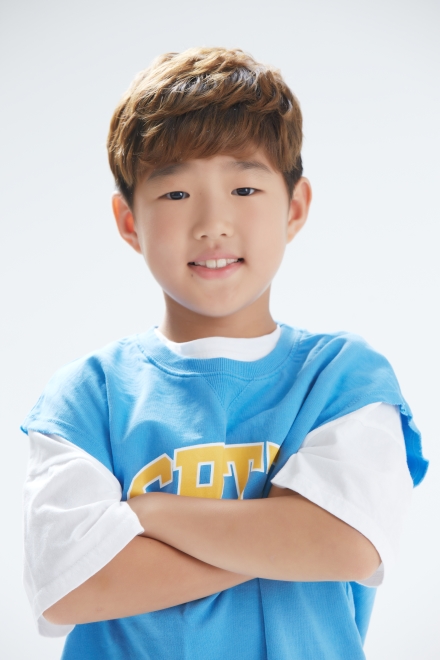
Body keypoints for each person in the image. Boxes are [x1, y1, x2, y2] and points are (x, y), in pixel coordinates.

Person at [21, 46, 428, 660]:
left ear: (294, 208)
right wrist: (280, 536)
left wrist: (148, 511)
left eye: (243, 187)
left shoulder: (344, 378)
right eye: (176, 194)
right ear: (129, 221)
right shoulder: (86, 396)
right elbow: (70, 585)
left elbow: (343, 543)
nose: (213, 223)